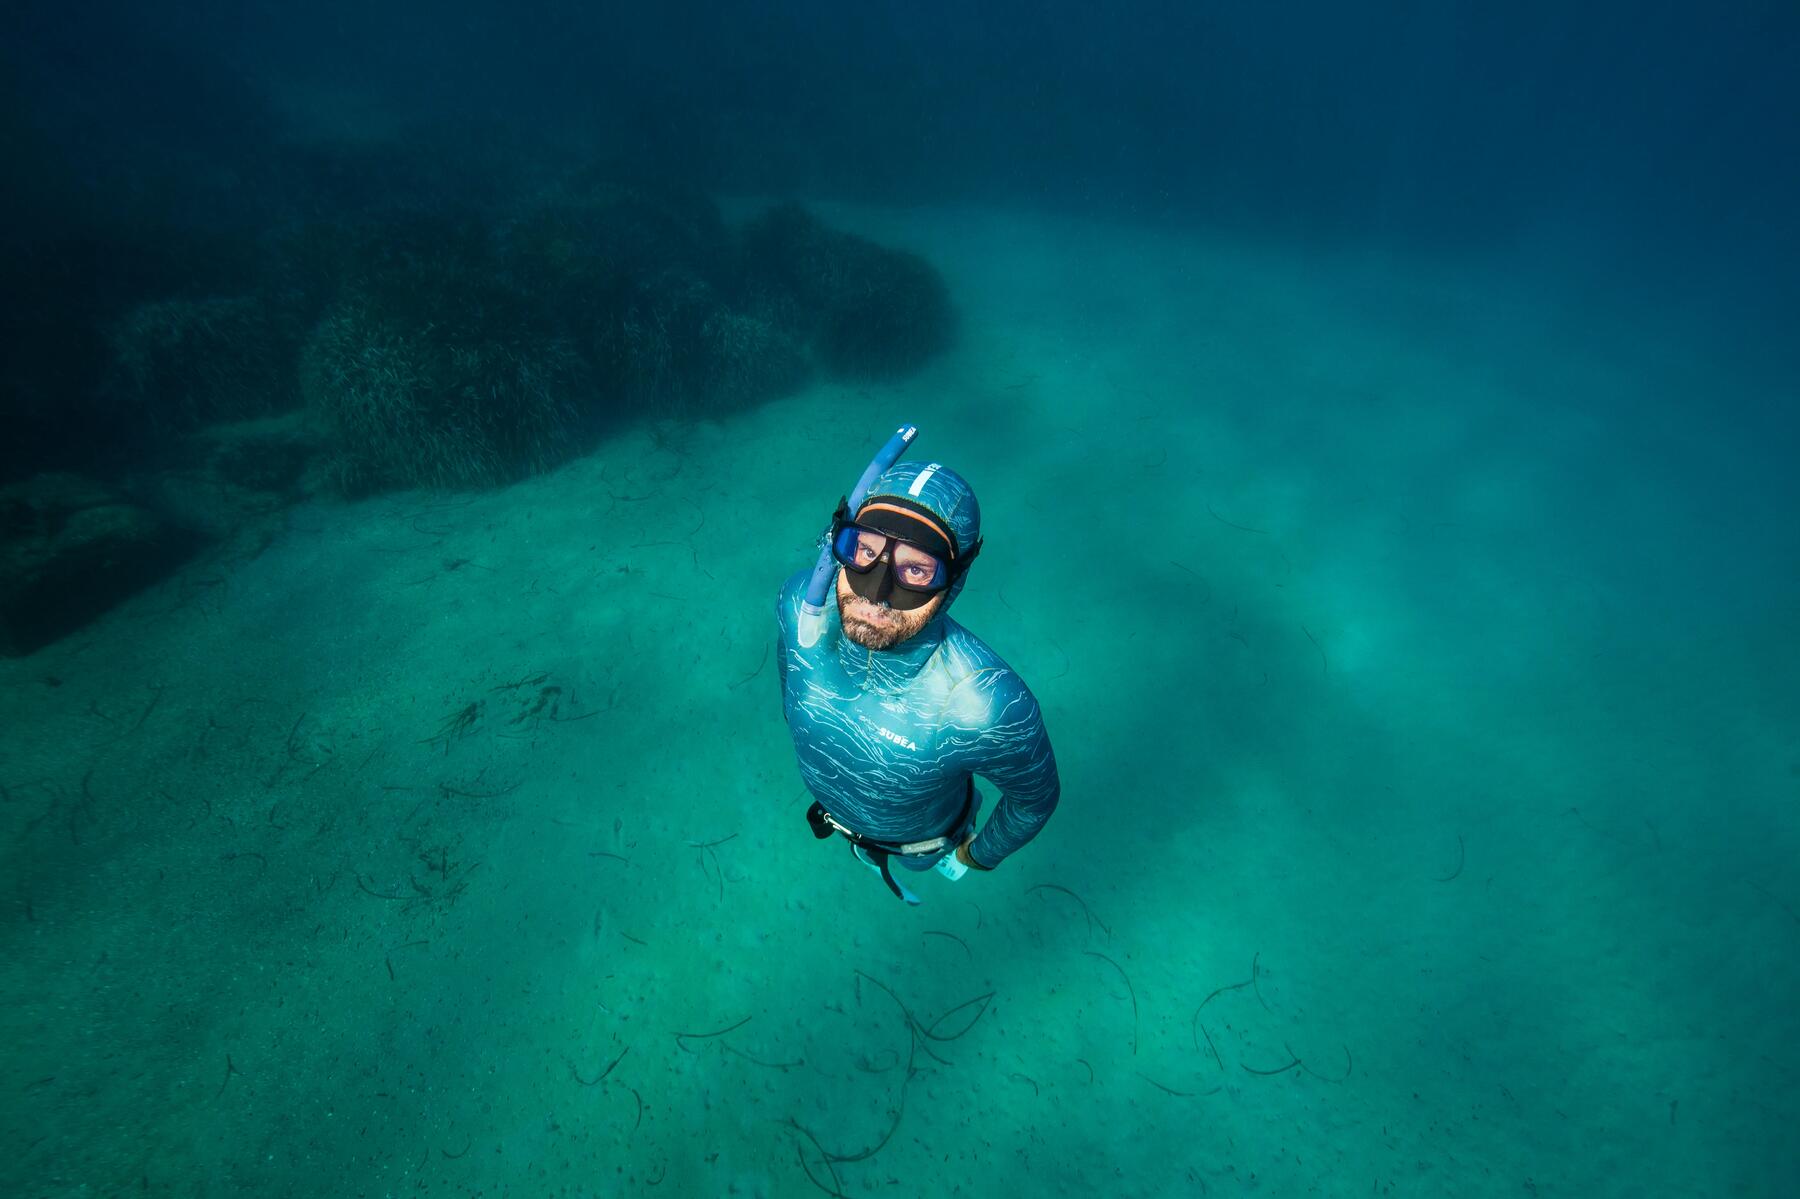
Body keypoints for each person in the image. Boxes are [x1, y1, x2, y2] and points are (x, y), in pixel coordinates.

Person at [776, 453, 1060, 903]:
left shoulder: (983, 704)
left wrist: (979, 855)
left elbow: (1035, 800)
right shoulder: (798, 606)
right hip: (833, 809)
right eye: (865, 550)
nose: (878, 594)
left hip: (923, 843)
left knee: (920, 864)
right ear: (839, 540)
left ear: (955, 579)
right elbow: (789, 683)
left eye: (916, 569)